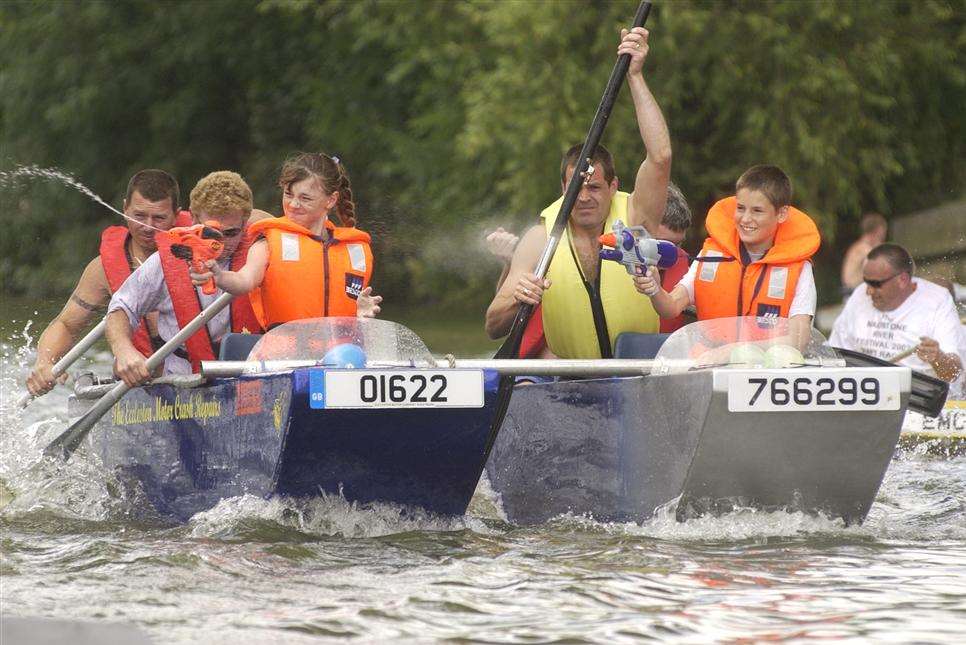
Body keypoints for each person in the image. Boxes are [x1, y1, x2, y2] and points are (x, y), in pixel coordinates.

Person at [485, 26, 672, 359]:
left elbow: (660, 157)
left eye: (595, 187)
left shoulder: (635, 217)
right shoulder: (539, 239)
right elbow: (493, 326)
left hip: (637, 377)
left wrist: (635, 77)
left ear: (614, 187)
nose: (584, 197)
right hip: (574, 381)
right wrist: (519, 297)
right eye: (576, 188)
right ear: (562, 188)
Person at [25, 169, 186, 396]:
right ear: (124, 208)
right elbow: (67, 325)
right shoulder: (102, 269)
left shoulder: (206, 249)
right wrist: (44, 362)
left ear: (177, 214)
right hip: (141, 387)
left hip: (194, 380)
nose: (148, 226)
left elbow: (250, 215)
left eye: (159, 218)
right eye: (139, 216)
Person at [106, 171, 264, 384]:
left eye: (231, 233)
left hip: (252, 377)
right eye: (212, 233)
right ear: (194, 218)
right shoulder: (166, 261)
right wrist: (124, 351)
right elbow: (121, 308)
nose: (222, 244)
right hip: (186, 382)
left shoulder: (262, 252)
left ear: (245, 222)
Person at [632, 165, 820, 344]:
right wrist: (655, 288)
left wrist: (733, 352)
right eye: (740, 208)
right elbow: (670, 307)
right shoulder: (711, 255)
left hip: (765, 371)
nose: (745, 219)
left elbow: (798, 340)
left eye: (757, 211)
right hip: (710, 365)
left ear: (781, 214)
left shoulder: (799, 268)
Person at [194, 153, 382, 329]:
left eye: (305, 198)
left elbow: (344, 306)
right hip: (286, 357)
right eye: (288, 194)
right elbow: (244, 280)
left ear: (331, 200)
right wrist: (219, 276)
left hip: (340, 358)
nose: (293, 204)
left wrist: (358, 312)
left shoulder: (355, 249)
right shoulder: (268, 242)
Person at [830, 243, 963, 384]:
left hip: (920, 397)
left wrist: (938, 358)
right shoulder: (860, 294)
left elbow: (954, 374)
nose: (868, 291)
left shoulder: (938, 301)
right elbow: (833, 356)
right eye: (866, 282)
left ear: (902, 280)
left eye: (876, 284)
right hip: (868, 390)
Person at [840, 212, 888, 298]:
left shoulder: (859, 246)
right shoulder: (862, 248)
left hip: (854, 292)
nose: (884, 236)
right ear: (877, 230)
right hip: (853, 294)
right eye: (883, 232)